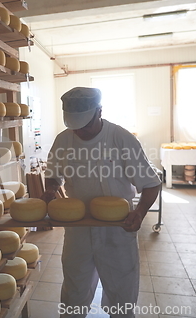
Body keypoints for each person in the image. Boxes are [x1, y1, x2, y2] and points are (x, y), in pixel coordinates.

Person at [41, 87, 161, 318]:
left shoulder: (121, 138)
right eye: (74, 125)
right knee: (74, 290)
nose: (80, 131)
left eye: (85, 124)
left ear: (100, 112)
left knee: (121, 293)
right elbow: (54, 174)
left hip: (117, 230)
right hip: (78, 230)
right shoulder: (63, 140)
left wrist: (140, 212)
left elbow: (150, 183)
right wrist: (50, 189)